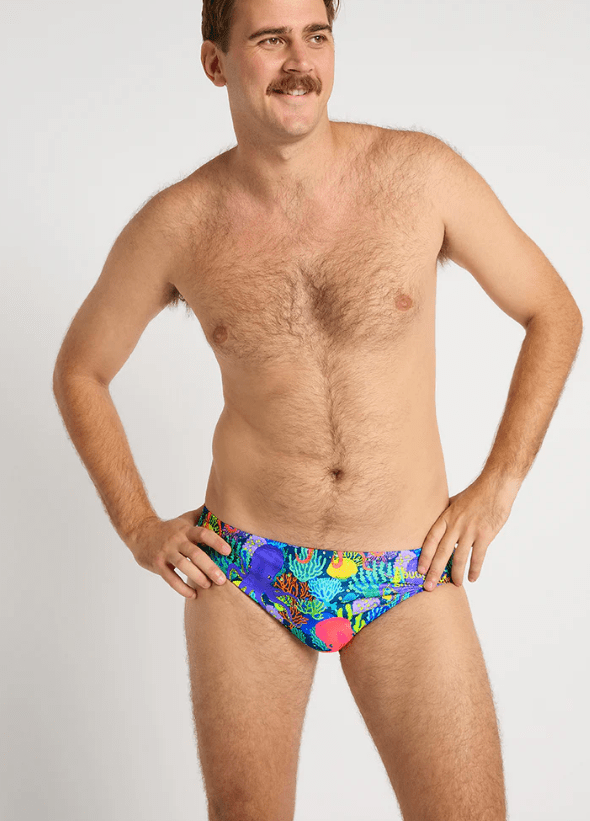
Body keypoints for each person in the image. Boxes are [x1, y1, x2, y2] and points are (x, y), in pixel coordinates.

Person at [52, 0, 583, 819]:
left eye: (317, 36)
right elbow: (80, 370)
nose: (300, 61)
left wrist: (499, 483)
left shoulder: (419, 175)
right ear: (216, 62)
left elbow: (553, 310)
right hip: (245, 570)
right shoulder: (179, 223)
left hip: (406, 567)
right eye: (270, 39)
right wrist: (138, 525)